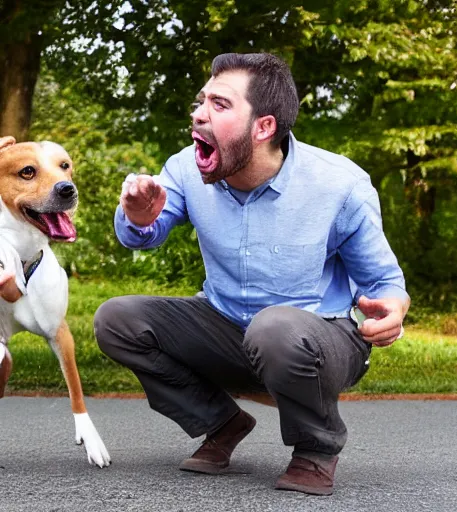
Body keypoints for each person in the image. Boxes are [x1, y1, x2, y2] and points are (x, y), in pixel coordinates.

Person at [94, 52, 410, 496]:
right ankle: (221, 422)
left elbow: (385, 284)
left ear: (262, 127)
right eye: (201, 100)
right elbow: (142, 236)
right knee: (117, 320)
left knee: (274, 326)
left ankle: (316, 449)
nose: (199, 114)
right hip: (229, 328)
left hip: (321, 337)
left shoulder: (338, 184)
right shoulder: (187, 167)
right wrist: (140, 217)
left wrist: (391, 311)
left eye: (219, 105)